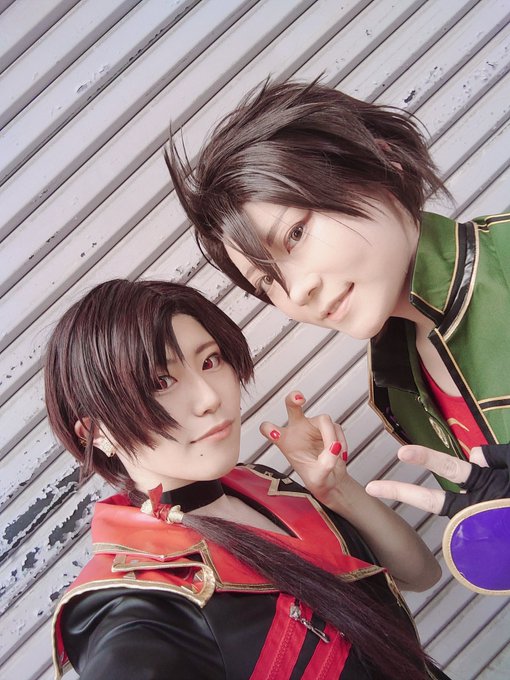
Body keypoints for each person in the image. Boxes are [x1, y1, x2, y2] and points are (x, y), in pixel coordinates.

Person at [164, 79, 510, 582]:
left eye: (295, 234)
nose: (297, 291)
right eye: (267, 282)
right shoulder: (397, 382)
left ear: (382, 161)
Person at [46, 279, 447, 679]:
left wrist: (338, 490)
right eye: (160, 382)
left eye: (210, 361)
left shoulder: (261, 484)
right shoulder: (139, 600)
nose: (210, 398)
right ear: (96, 432)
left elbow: (422, 575)